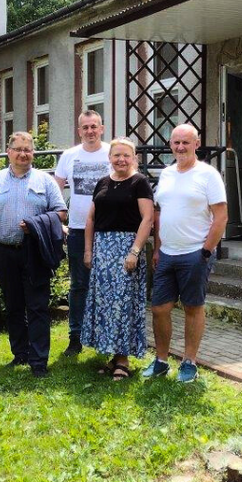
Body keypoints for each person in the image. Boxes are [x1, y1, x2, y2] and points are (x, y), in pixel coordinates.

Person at [143, 124, 228, 384]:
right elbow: (159, 214)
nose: (180, 147)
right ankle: (160, 361)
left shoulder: (208, 175)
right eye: (176, 142)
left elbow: (221, 216)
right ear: (170, 144)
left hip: (195, 252)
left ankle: (189, 362)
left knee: (193, 307)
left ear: (196, 144)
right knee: (159, 309)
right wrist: (157, 248)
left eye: (186, 142)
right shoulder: (166, 174)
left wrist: (206, 251)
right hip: (167, 253)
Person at [0, 131, 67, 377]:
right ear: (8, 152)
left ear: (33, 153)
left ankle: (39, 361)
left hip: (35, 252)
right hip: (4, 251)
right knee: (13, 306)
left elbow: (61, 212)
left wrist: (35, 223)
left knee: (38, 306)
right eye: (18, 149)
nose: (23, 154)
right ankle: (20, 353)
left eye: (27, 150)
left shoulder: (45, 181)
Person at [81, 138, 154, 380]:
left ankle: (123, 359)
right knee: (105, 303)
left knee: (123, 303)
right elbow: (91, 218)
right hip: (102, 249)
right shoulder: (102, 182)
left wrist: (134, 251)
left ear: (135, 158)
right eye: (116, 155)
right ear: (109, 158)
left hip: (126, 249)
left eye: (126, 155)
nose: (121, 160)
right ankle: (112, 356)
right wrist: (89, 251)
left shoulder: (139, 183)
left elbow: (147, 219)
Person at [53, 110, 110, 355]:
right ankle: (75, 337)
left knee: (107, 284)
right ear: (79, 131)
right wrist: (60, 222)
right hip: (77, 229)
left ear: (102, 128)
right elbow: (55, 191)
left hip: (109, 230)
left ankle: (104, 338)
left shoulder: (111, 152)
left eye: (94, 126)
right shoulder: (69, 156)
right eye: (85, 127)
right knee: (79, 286)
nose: (90, 131)